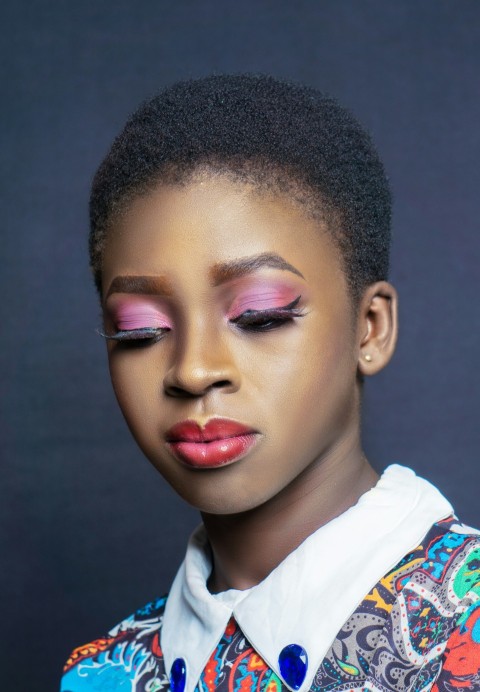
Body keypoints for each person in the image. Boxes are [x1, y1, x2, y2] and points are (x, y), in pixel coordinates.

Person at [61, 74, 480, 692]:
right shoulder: (100, 675)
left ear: (370, 328)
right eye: (141, 330)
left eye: (259, 316)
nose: (194, 370)